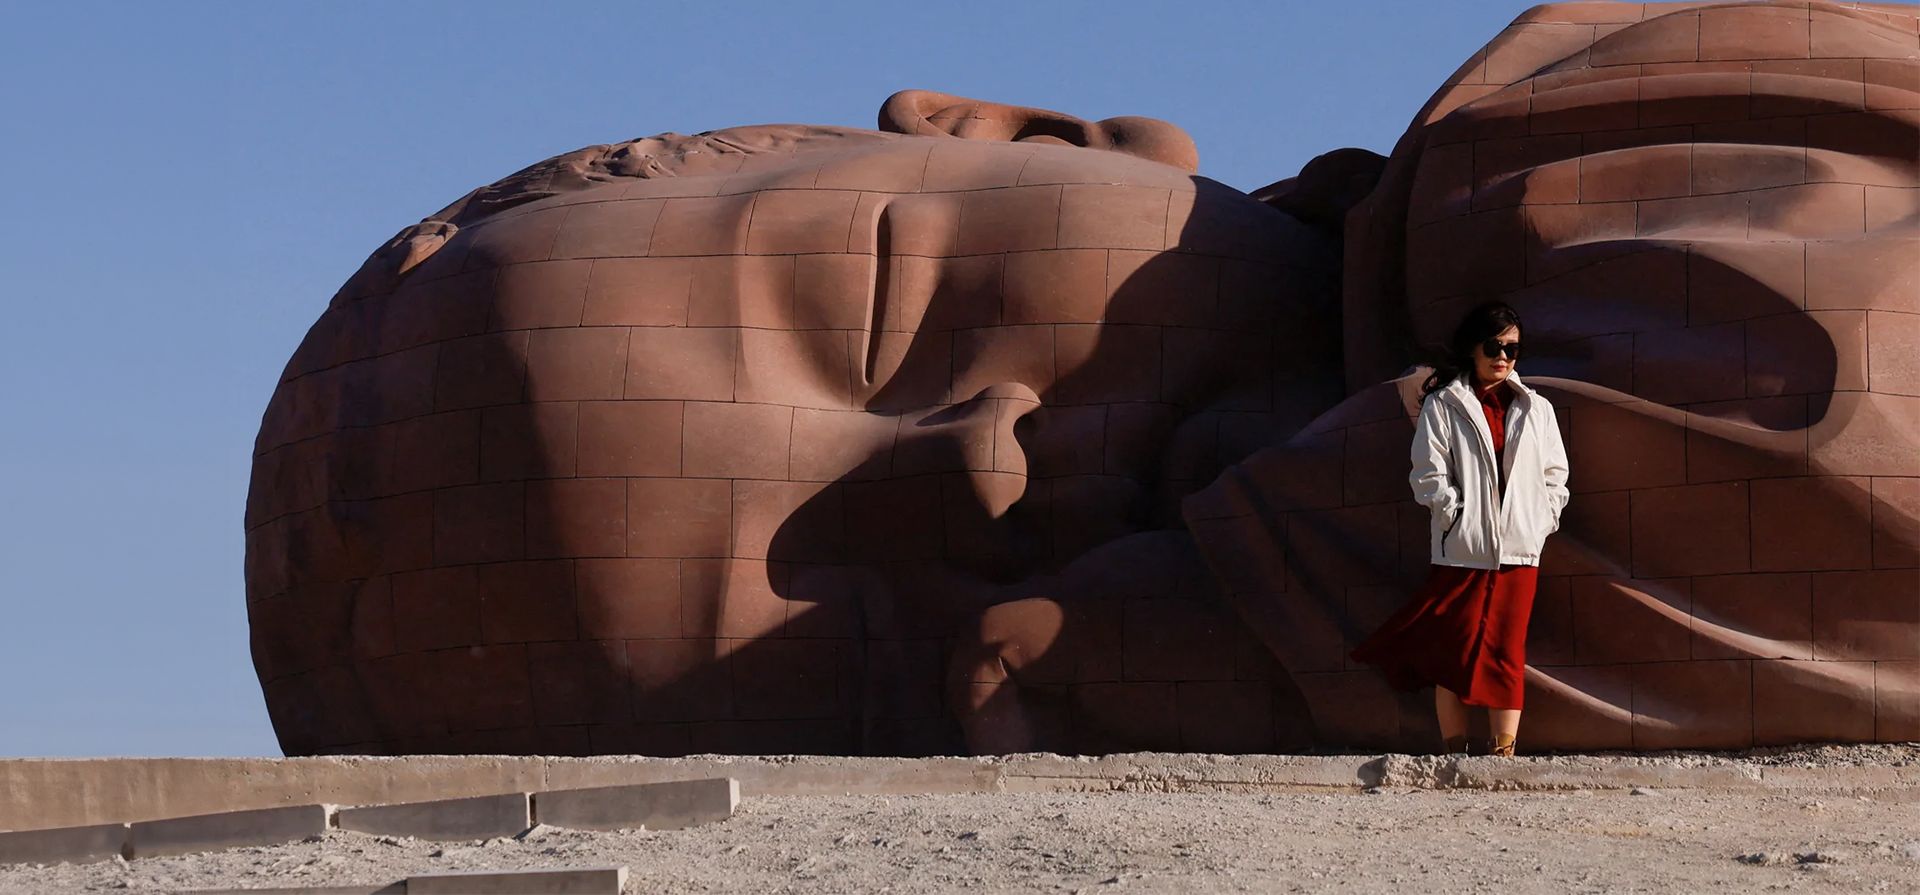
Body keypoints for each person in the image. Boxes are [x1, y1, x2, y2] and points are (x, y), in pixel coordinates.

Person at [1349, 301, 1569, 757]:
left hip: (1518, 552)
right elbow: (1427, 476)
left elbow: (1555, 476)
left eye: (1513, 348)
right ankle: (1453, 753)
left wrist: (1541, 520)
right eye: (1494, 346)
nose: (1504, 356)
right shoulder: (1444, 404)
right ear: (1473, 348)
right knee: (1451, 652)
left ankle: (1502, 755)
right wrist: (1457, 515)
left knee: (1507, 653)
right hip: (1461, 551)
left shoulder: (1537, 409)